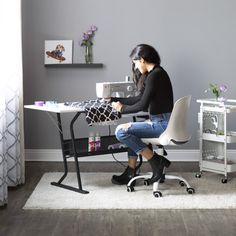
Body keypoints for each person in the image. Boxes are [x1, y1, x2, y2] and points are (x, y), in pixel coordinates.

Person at [111, 44, 174, 185]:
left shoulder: (155, 75)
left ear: (142, 60)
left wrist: (121, 109)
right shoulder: (157, 73)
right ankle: (130, 171)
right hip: (163, 122)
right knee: (130, 132)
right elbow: (139, 98)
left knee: (121, 131)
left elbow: (142, 105)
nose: (136, 67)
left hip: (162, 124)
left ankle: (156, 160)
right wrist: (115, 100)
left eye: (135, 63)